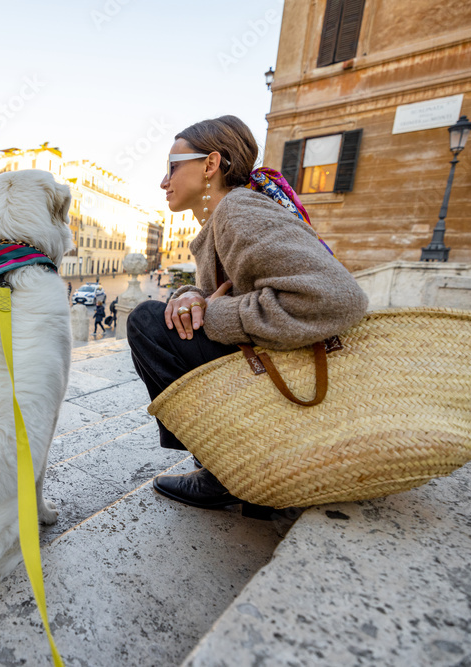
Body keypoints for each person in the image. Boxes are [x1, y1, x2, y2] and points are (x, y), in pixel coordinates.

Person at [126, 115, 368, 517]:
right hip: (270, 368)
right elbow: (230, 291)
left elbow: (341, 299)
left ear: (209, 165)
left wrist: (215, 313)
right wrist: (191, 295)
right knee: (163, 315)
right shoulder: (222, 218)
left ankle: (227, 470)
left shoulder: (237, 210)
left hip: (288, 374)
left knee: (148, 323)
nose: (163, 181)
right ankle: (232, 463)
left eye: (172, 166)